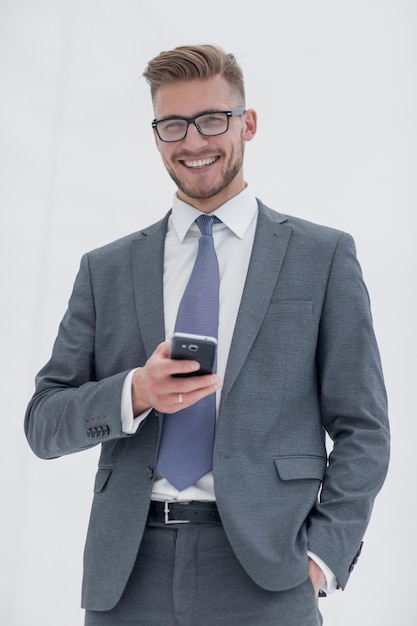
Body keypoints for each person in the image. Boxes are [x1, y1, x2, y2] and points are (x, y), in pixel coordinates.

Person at [25, 44, 390, 626]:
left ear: (247, 123)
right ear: (156, 135)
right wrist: (136, 392)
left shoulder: (322, 257)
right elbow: (43, 424)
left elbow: (363, 427)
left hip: (267, 572)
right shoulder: (107, 268)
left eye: (212, 120)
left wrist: (323, 555)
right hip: (127, 572)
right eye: (173, 125)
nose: (193, 142)